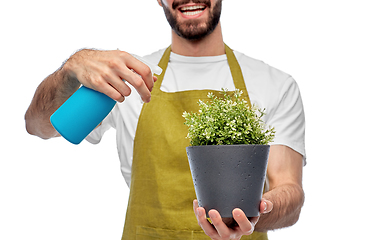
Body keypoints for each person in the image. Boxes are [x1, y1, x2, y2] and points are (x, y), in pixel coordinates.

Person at [25, 0, 306, 239]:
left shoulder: (274, 84)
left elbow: (289, 193)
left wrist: (254, 213)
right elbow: (40, 126)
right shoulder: (128, 77)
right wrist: (71, 69)